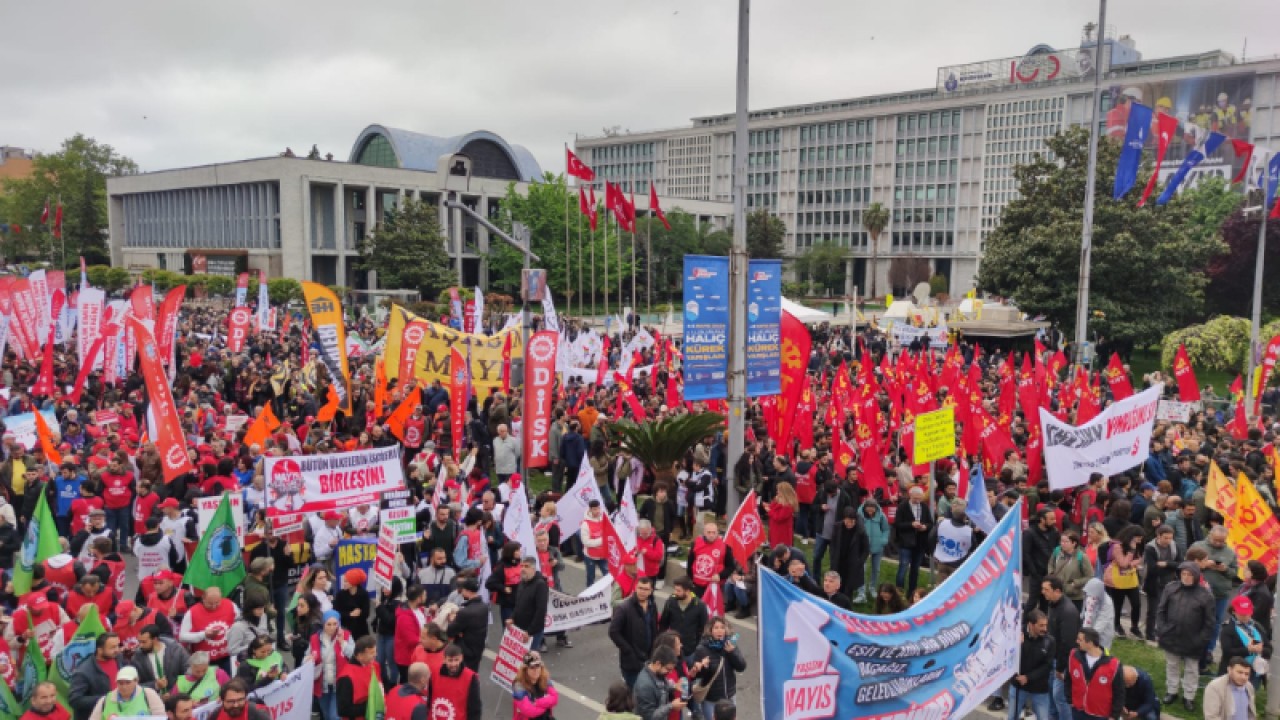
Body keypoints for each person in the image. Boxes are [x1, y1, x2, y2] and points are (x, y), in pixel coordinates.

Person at [1156, 562, 1216, 711]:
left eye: (1190, 574)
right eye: (1183, 574)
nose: (1186, 577)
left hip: (1193, 639)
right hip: (1171, 636)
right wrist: (1162, 629)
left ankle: (1189, 696)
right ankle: (1172, 691)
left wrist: (1201, 639)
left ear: (1196, 576)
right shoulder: (1171, 588)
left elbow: (1209, 622)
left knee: (1191, 669)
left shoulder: (1205, 595)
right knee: (1172, 665)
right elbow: (1161, 610)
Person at [1192, 526, 1239, 669]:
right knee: (1197, 620)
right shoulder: (1198, 546)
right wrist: (1204, 565)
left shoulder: (1230, 552)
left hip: (1220, 593)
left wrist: (1226, 569)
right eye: (1216, 540)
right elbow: (1187, 565)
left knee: (1215, 623)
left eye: (1222, 541)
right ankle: (1193, 649)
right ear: (1210, 535)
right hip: (1198, 592)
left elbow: (1235, 573)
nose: (1219, 543)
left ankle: (1209, 651)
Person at [690, 617, 747, 720]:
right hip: (711, 699)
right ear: (710, 630)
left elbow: (741, 667)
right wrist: (702, 667)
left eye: (722, 627)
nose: (719, 630)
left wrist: (732, 652)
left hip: (729, 696)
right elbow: (697, 676)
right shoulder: (702, 649)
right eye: (716, 628)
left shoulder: (730, 645)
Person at [1064, 628, 1124, 720]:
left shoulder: (1114, 665)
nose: (1076, 641)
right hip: (1078, 711)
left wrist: (1114, 716)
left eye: (1080, 640)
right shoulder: (1074, 655)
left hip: (1099, 715)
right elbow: (1068, 679)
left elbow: (1119, 693)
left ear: (1090, 643)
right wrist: (1070, 699)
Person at [1042, 577, 1080, 720]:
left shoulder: (1067, 612)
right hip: (1053, 658)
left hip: (1062, 662)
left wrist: (1060, 668)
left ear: (1057, 591)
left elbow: (1068, 644)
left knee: (1060, 697)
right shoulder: (1053, 604)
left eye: (1046, 589)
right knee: (1052, 694)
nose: (1043, 592)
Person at [610, 576, 659, 688]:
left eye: (645, 589)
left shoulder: (652, 606)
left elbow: (654, 628)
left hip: (648, 658)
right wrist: (627, 650)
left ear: (651, 591)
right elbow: (613, 632)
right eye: (640, 588)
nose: (642, 591)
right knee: (635, 694)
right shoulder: (624, 608)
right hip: (631, 662)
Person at [178, 586, 239, 674]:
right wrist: (204, 635)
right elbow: (182, 637)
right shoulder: (192, 612)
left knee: (227, 682)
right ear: (203, 599)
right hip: (204, 660)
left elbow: (239, 622)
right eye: (210, 603)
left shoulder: (230, 605)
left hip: (227, 655)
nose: (214, 606)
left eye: (217, 602)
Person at [1006, 610, 1054, 720]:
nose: (1045, 629)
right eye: (1041, 625)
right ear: (1031, 625)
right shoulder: (1016, 634)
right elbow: (1008, 658)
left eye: (1046, 625)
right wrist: (1017, 646)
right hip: (1018, 686)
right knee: (1012, 717)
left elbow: (1047, 666)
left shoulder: (1049, 641)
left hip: (1040, 689)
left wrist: (1028, 678)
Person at [311, 610, 354, 720]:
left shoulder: (346, 635)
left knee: (334, 716)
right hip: (322, 684)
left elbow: (354, 655)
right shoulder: (315, 639)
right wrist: (308, 660)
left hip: (340, 684)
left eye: (335, 624)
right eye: (328, 624)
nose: (332, 627)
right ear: (323, 624)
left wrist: (343, 643)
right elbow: (306, 659)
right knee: (326, 715)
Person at [68, 633, 121, 720]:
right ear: (100, 650)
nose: (117, 650)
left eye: (118, 646)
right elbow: (75, 700)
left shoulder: (118, 658)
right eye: (112, 647)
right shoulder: (83, 671)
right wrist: (106, 699)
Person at [1219, 595, 1271, 684]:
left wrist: (1261, 650)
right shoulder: (1228, 629)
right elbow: (1227, 651)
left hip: (1254, 672)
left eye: (1248, 613)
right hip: (1234, 673)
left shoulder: (1257, 626)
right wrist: (1248, 650)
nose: (1246, 616)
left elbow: (1269, 649)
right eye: (1242, 613)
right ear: (1233, 611)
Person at [1141, 525, 1180, 641]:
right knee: (1153, 610)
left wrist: (1166, 564)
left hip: (1170, 582)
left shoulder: (1175, 546)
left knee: (1168, 609)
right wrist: (1171, 566)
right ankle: (1150, 633)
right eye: (1165, 538)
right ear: (1158, 536)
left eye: (1170, 538)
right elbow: (1152, 568)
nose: (1168, 541)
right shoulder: (1150, 548)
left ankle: (1162, 632)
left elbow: (1180, 563)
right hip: (1154, 583)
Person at [893, 487, 933, 595]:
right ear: (910, 496)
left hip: (920, 542)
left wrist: (925, 527)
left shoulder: (924, 506)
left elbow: (930, 522)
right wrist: (911, 524)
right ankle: (899, 592)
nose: (918, 501)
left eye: (919, 498)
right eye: (915, 498)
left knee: (915, 569)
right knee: (903, 567)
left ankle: (912, 593)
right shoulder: (902, 507)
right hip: (906, 542)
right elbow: (897, 524)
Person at [659, 577, 708, 663]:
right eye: (675, 590)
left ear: (688, 591)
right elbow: (663, 624)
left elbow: (704, 628)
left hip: (690, 650)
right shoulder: (670, 602)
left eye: (678, 591)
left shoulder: (700, 606)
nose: (675, 593)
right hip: (672, 649)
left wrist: (697, 646)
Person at [88, 666, 165, 720]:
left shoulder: (149, 695)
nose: (124, 687)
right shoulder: (105, 700)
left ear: (136, 681)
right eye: (120, 683)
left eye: (128, 683)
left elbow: (160, 717)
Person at [445, 577, 488, 672]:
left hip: (464, 651)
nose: (461, 593)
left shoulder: (465, 612)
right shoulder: (484, 607)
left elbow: (450, 631)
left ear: (468, 591)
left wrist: (452, 620)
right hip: (477, 650)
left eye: (463, 590)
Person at [427, 645, 481, 720]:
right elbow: (429, 699)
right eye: (450, 660)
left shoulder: (471, 678)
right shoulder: (434, 673)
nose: (453, 664)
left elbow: (474, 709)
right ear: (444, 659)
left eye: (456, 660)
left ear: (461, 658)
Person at [131, 624, 189, 693]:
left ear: (155, 639)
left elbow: (187, 672)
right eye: (139, 642)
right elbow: (135, 684)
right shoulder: (137, 657)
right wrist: (155, 685)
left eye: (144, 642)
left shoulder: (176, 650)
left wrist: (174, 692)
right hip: (152, 697)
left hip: (177, 695)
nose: (140, 645)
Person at [633, 647, 687, 720]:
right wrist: (671, 706)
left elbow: (661, 686)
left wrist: (674, 686)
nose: (670, 672)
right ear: (658, 663)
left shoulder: (657, 673)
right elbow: (649, 717)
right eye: (668, 669)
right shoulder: (645, 686)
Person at [337, 637, 383, 720]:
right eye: (371, 652)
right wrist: (371, 706)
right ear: (360, 655)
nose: (375, 655)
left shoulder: (374, 666)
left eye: (375, 651)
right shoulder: (346, 677)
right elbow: (343, 710)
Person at [1024, 507, 1060, 613]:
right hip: (1037, 573)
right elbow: (1026, 554)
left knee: (1046, 602)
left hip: (1049, 573)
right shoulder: (1029, 533)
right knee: (1032, 602)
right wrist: (1034, 572)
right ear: (1042, 519)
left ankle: (1042, 625)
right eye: (1051, 519)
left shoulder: (1054, 532)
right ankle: (1024, 624)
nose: (1054, 521)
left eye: (1054, 518)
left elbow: (1056, 550)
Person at [511, 557, 550, 653]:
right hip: (521, 628)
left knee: (529, 659)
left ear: (533, 569)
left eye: (526, 566)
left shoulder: (540, 585)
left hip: (532, 632)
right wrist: (512, 617)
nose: (523, 569)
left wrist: (530, 632)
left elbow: (541, 611)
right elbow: (518, 603)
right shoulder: (522, 582)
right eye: (522, 566)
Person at [830, 508, 868, 601]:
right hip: (839, 561)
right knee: (837, 585)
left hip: (852, 564)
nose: (849, 523)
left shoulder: (860, 531)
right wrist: (833, 557)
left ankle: (846, 604)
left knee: (848, 588)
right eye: (847, 521)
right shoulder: (837, 527)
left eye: (851, 521)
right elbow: (833, 544)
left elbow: (866, 549)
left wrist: (860, 561)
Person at [1046, 530, 1092, 604]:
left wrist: (1075, 583)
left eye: (1066, 542)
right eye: (1061, 541)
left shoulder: (1082, 557)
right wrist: (1051, 574)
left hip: (1074, 597)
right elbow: (1051, 563)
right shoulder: (1057, 551)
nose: (1062, 544)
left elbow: (1090, 576)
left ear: (1074, 543)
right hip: (1057, 594)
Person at [858, 498, 890, 604]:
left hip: (877, 546)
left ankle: (872, 588)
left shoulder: (881, 516)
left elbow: (886, 529)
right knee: (862, 569)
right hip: (863, 547)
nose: (870, 512)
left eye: (873, 510)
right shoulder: (859, 516)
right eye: (868, 510)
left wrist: (883, 540)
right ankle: (861, 592)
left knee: (876, 569)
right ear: (865, 508)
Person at [512, 651, 559, 720]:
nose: (536, 670)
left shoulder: (544, 679)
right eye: (532, 667)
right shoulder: (519, 686)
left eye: (538, 665)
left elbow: (555, 698)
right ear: (525, 669)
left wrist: (537, 703)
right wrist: (546, 705)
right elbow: (529, 711)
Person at [334, 568, 372, 639]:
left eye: (346, 581)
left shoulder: (364, 594)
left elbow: (366, 613)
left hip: (361, 630)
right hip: (345, 629)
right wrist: (350, 614)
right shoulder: (340, 595)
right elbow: (336, 612)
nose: (343, 583)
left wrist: (359, 613)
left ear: (353, 583)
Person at [1080, 578, 1116, 650]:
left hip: (1103, 634)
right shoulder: (1090, 597)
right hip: (1090, 631)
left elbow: (1102, 622)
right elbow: (1086, 613)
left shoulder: (1107, 603)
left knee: (1103, 652)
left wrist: (1089, 636)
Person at [581, 500, 610, 585]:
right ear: (590, 509)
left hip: (603, 554)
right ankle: (589, 596)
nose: (597, 511)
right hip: (590, 556)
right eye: (594, 509)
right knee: (591, 577)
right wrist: (602, 540)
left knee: (608, 576)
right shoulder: (585, 524)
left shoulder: (604, 518)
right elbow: (585, 542)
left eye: (598, 508)